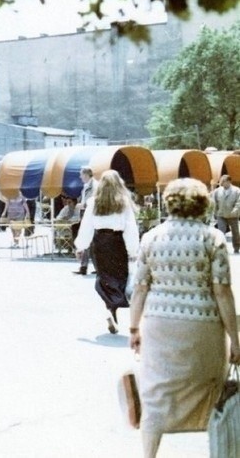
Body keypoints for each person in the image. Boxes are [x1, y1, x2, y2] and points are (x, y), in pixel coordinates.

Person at [129, 177, 240, 458]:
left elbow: (140, 288)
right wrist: (235, 338)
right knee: (210, 391)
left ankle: (148, 454)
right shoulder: (212, 238)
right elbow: (223, 291)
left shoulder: (151, 237)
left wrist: (133, 328)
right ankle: (217, 446)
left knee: (155, 392)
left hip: (159, 325)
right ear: (203, 203)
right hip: (203, 327)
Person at [74, 170, 139, 334]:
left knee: (104, 277)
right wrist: (133, 250)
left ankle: (110, 311)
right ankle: (116, 307)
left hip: (100, 243)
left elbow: (86, 225)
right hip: (117, 243)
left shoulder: (93, 202)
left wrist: (80, 246)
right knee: (119, 277)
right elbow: (131, 227)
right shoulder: (123, 202)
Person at [74, 167, 96, 274]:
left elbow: (95, 200)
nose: (80, 177)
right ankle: (84, 267)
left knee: (90, 241)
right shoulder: (86, 186)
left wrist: (83, 205)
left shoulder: (94, 186)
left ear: (86, 174)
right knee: (87, 240)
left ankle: (87, 267)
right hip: (85, 214)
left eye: (81, 174)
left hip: (91, 215)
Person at [211, 174, 240, 254]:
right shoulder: (217, 191)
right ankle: (221, 248)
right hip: (221, 214)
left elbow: (239, 203)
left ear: (229, 181)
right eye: (221, 181)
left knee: (235, 232)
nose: (221, 183)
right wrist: (215, 212)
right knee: (220, 232)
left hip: (233, 215)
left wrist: (235, 211)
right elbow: (214, 202)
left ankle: (236, 247)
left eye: (223, 181)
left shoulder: (237, 191)